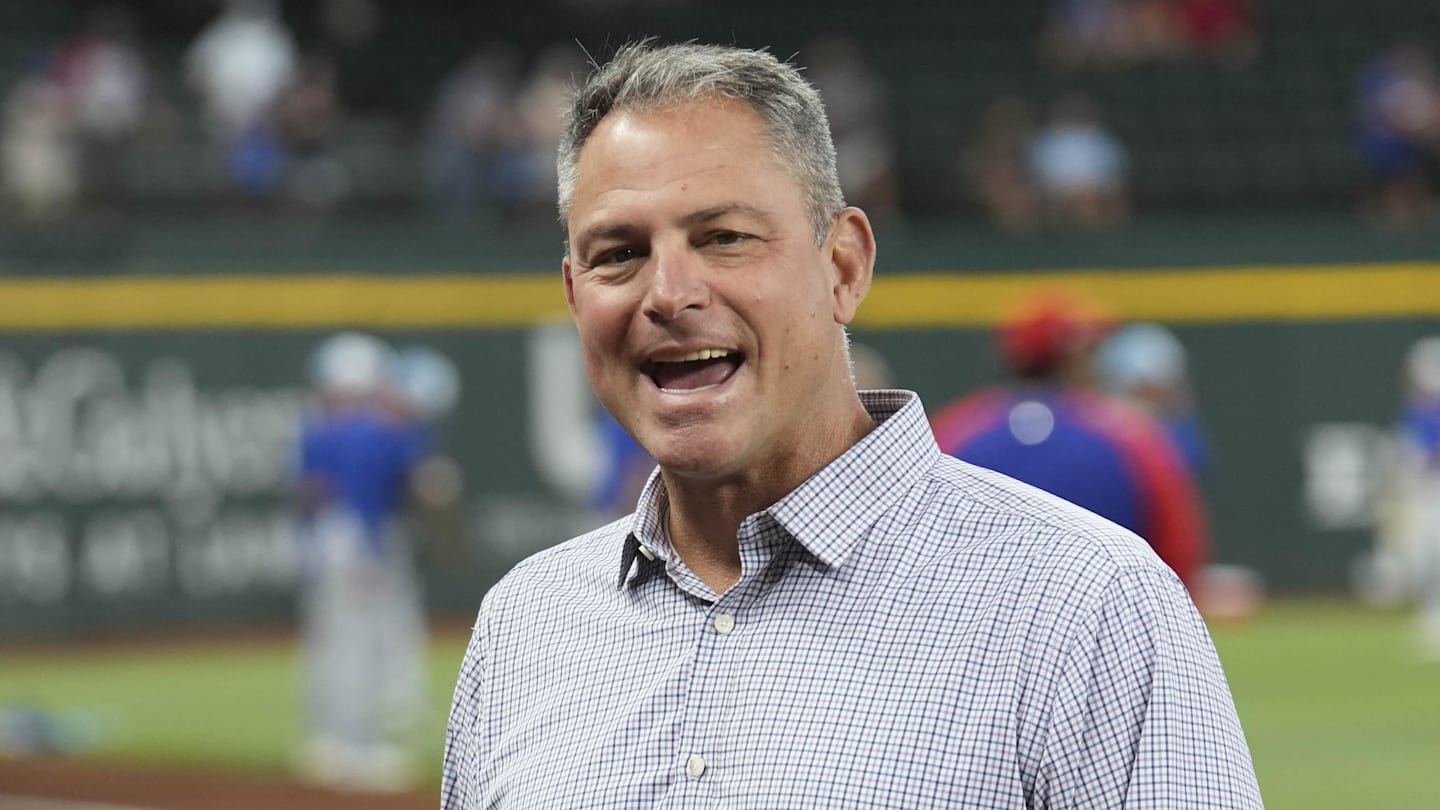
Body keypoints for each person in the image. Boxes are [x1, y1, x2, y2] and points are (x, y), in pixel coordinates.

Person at [442, 41, 1259, 808]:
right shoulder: (526, 624)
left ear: (844, 267)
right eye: (618, 252)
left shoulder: (1088, 602)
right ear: (575, 294)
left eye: (723, 237)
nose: (667, 293)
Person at [931, 291, 1210, 591]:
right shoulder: (1132, 434)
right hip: (1102, 616)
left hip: (976, 621)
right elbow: (1180, 550)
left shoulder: (953, 429)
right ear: (1074, 358)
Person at [294, 332, 434, 791]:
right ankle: (362, 750)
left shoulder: (318, 429)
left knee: (331, 645)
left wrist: (319, 544)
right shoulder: (380, 430)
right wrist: (366, 549)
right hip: (362, 540)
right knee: (363, 646)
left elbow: (307, 494)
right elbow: (409, 487)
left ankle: (329, 744)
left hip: (327, 540)